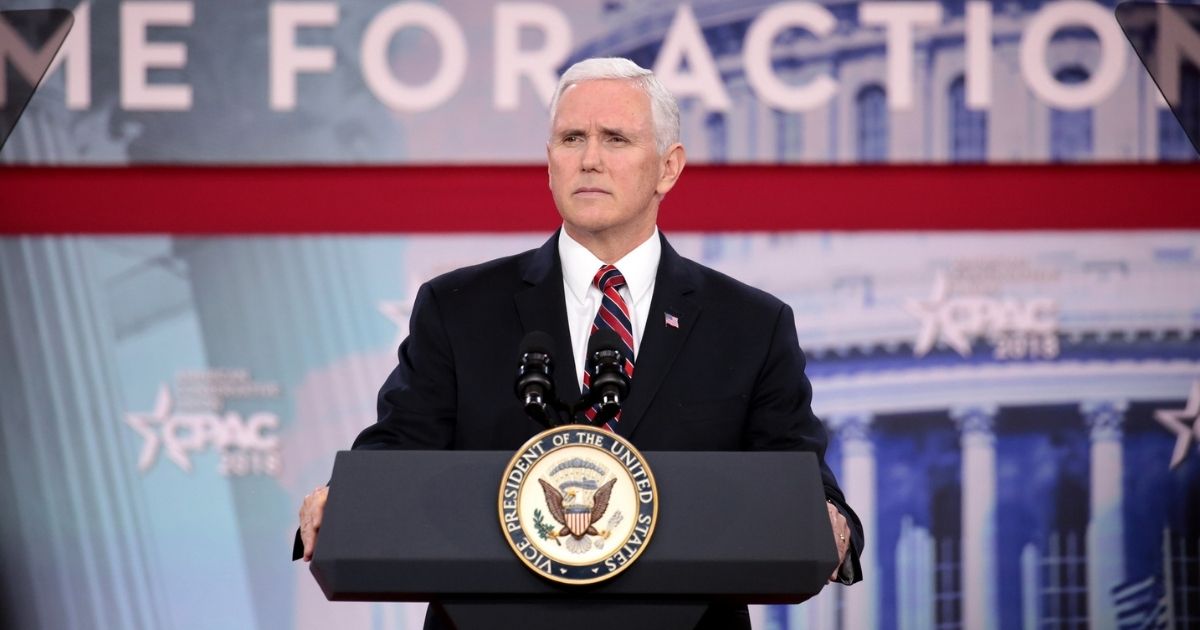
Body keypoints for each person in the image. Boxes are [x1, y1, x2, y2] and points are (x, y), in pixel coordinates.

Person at [296, 57, 863, 628]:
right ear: (549, 163)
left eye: (616, 139)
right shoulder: (458, 306)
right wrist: (343, 499)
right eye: (572, 138)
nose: (590, 159)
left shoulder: (748, 323)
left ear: (668, 168)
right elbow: (399, 450)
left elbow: (796, 475)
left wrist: (831, 520)